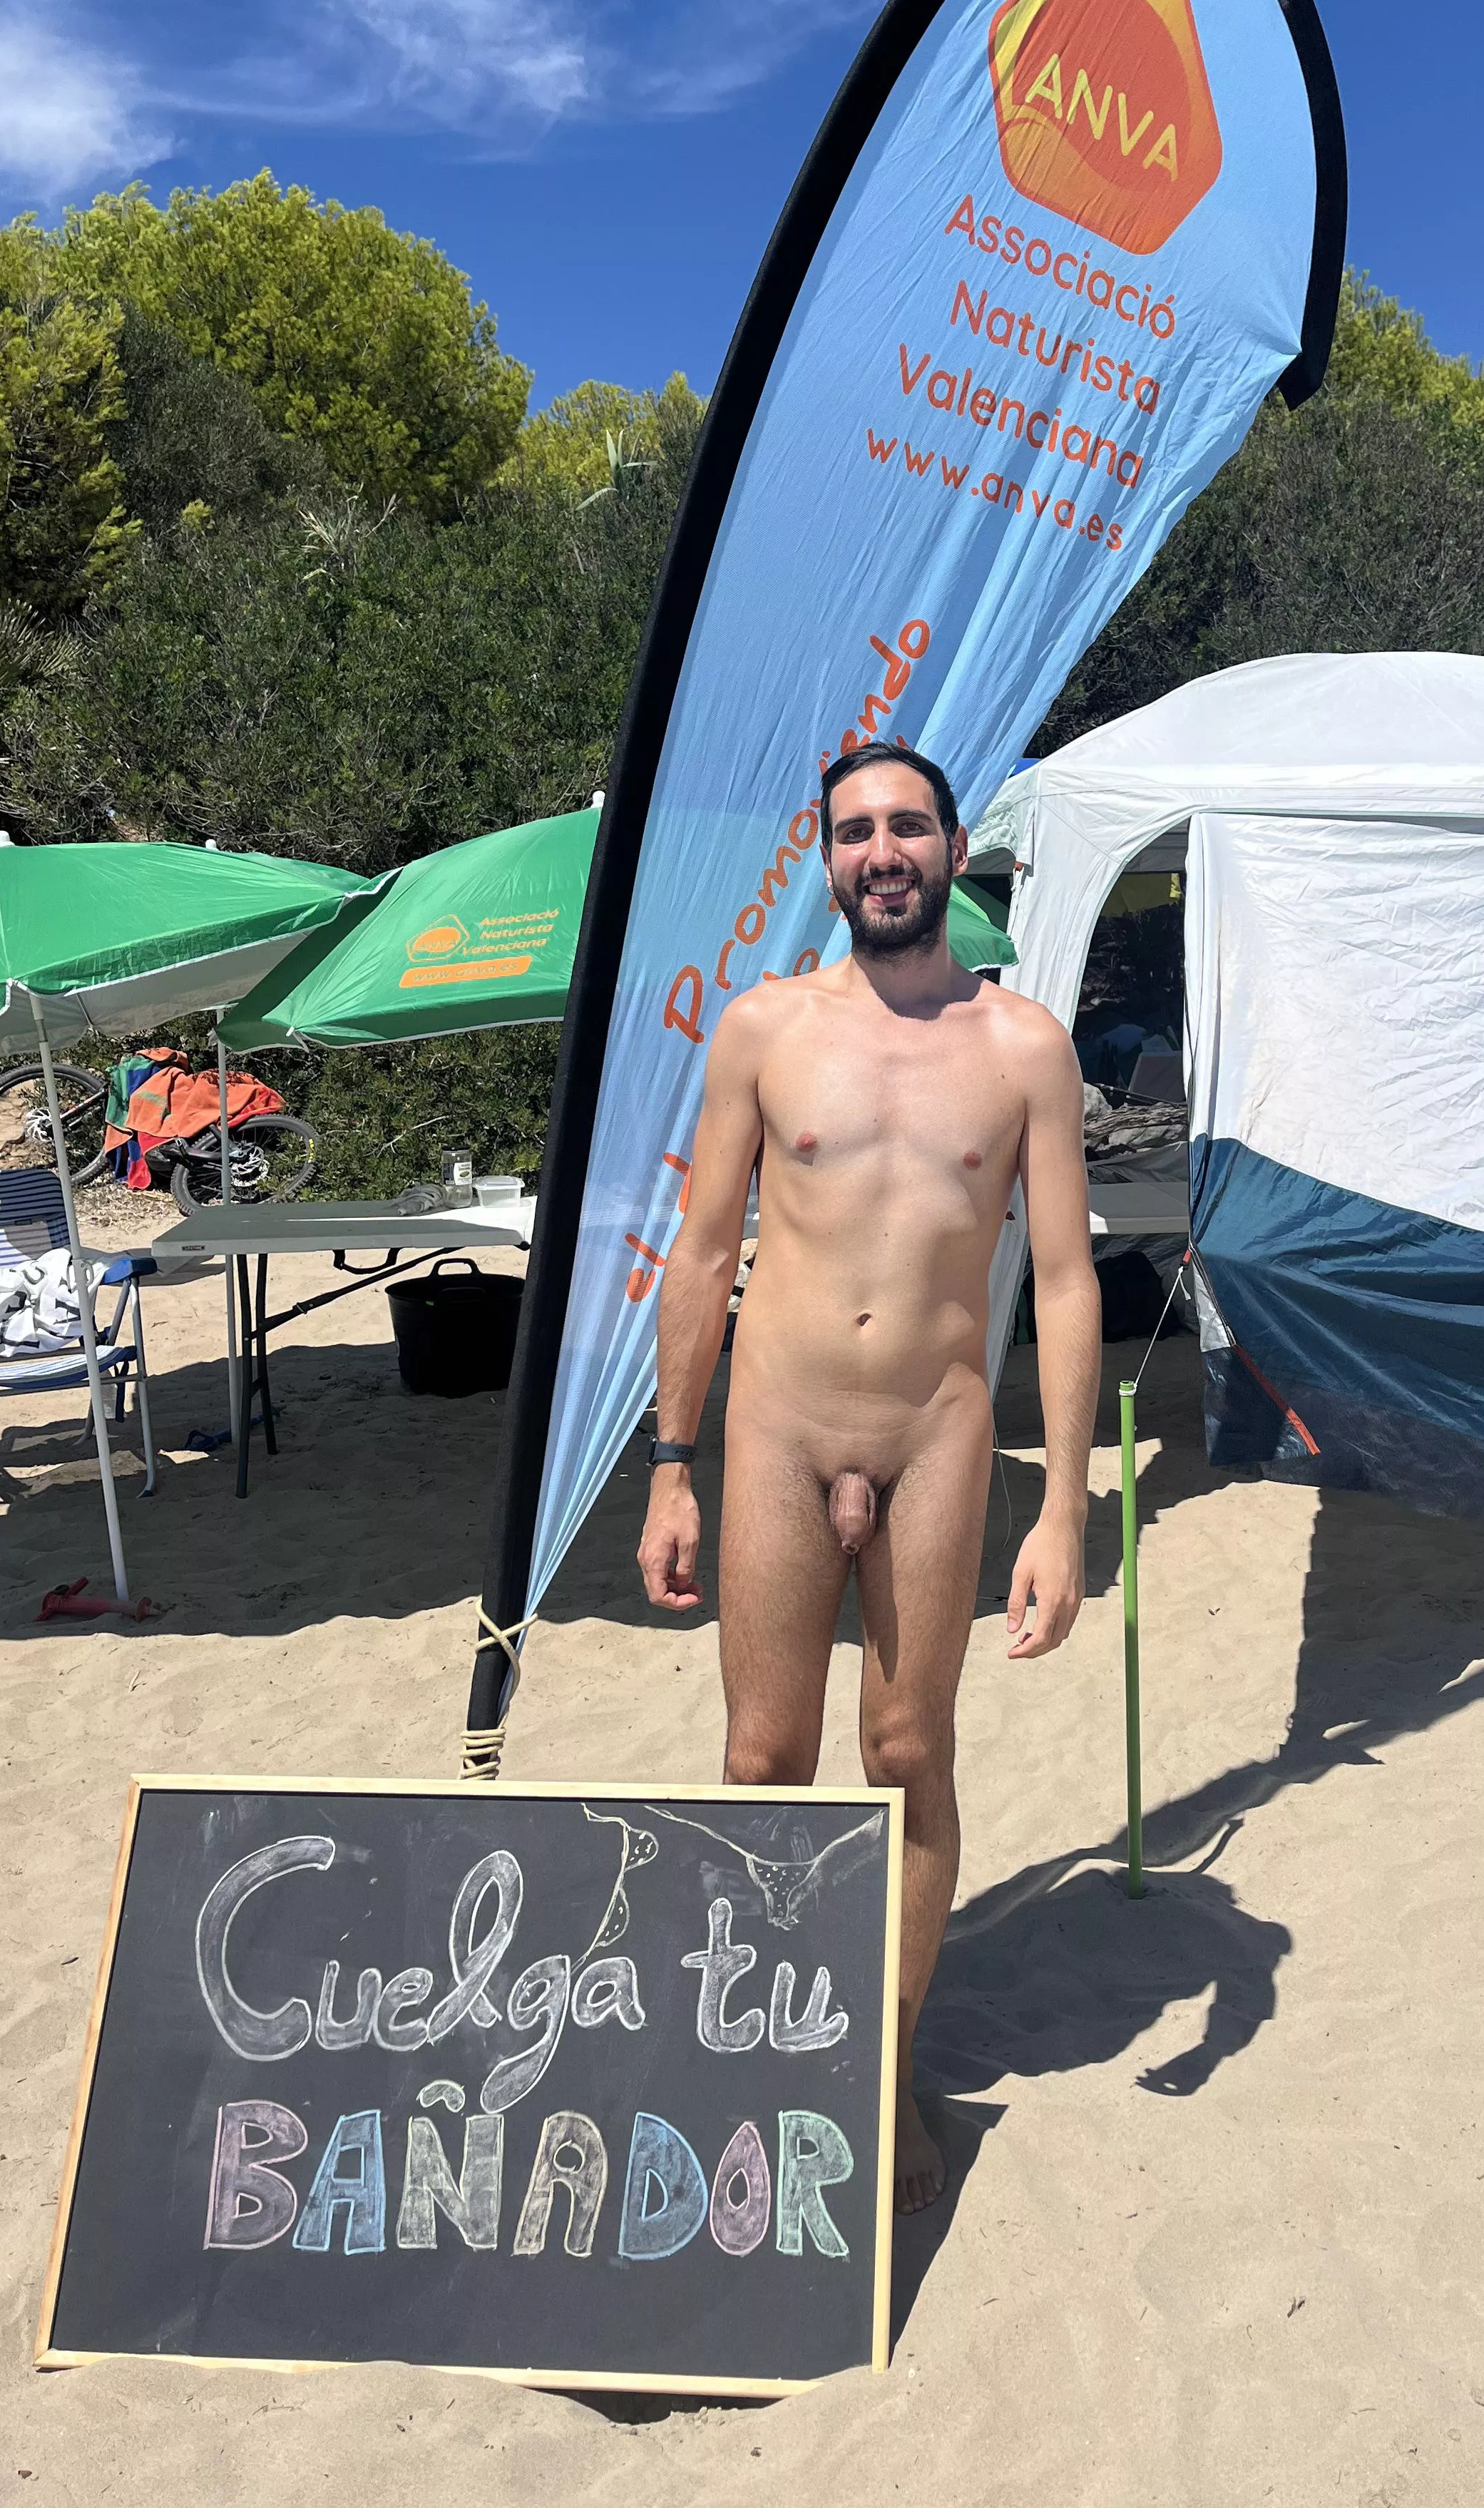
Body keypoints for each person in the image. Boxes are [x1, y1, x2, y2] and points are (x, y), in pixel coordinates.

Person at [635, 742, 1101, 2213]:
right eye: (854, 832)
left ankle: (876, 2072)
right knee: (761, 1763)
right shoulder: (764, 1030)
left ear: (955, 847)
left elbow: (1068, 1281)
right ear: (826, 859)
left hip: (935, 1434)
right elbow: (702, 1253)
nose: (882, 852)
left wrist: (1065, 1509)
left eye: (908, 826)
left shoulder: (1024, 1048)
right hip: (778, 1430)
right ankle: (759, 2052)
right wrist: (669, 1468)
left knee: (907, 1756)